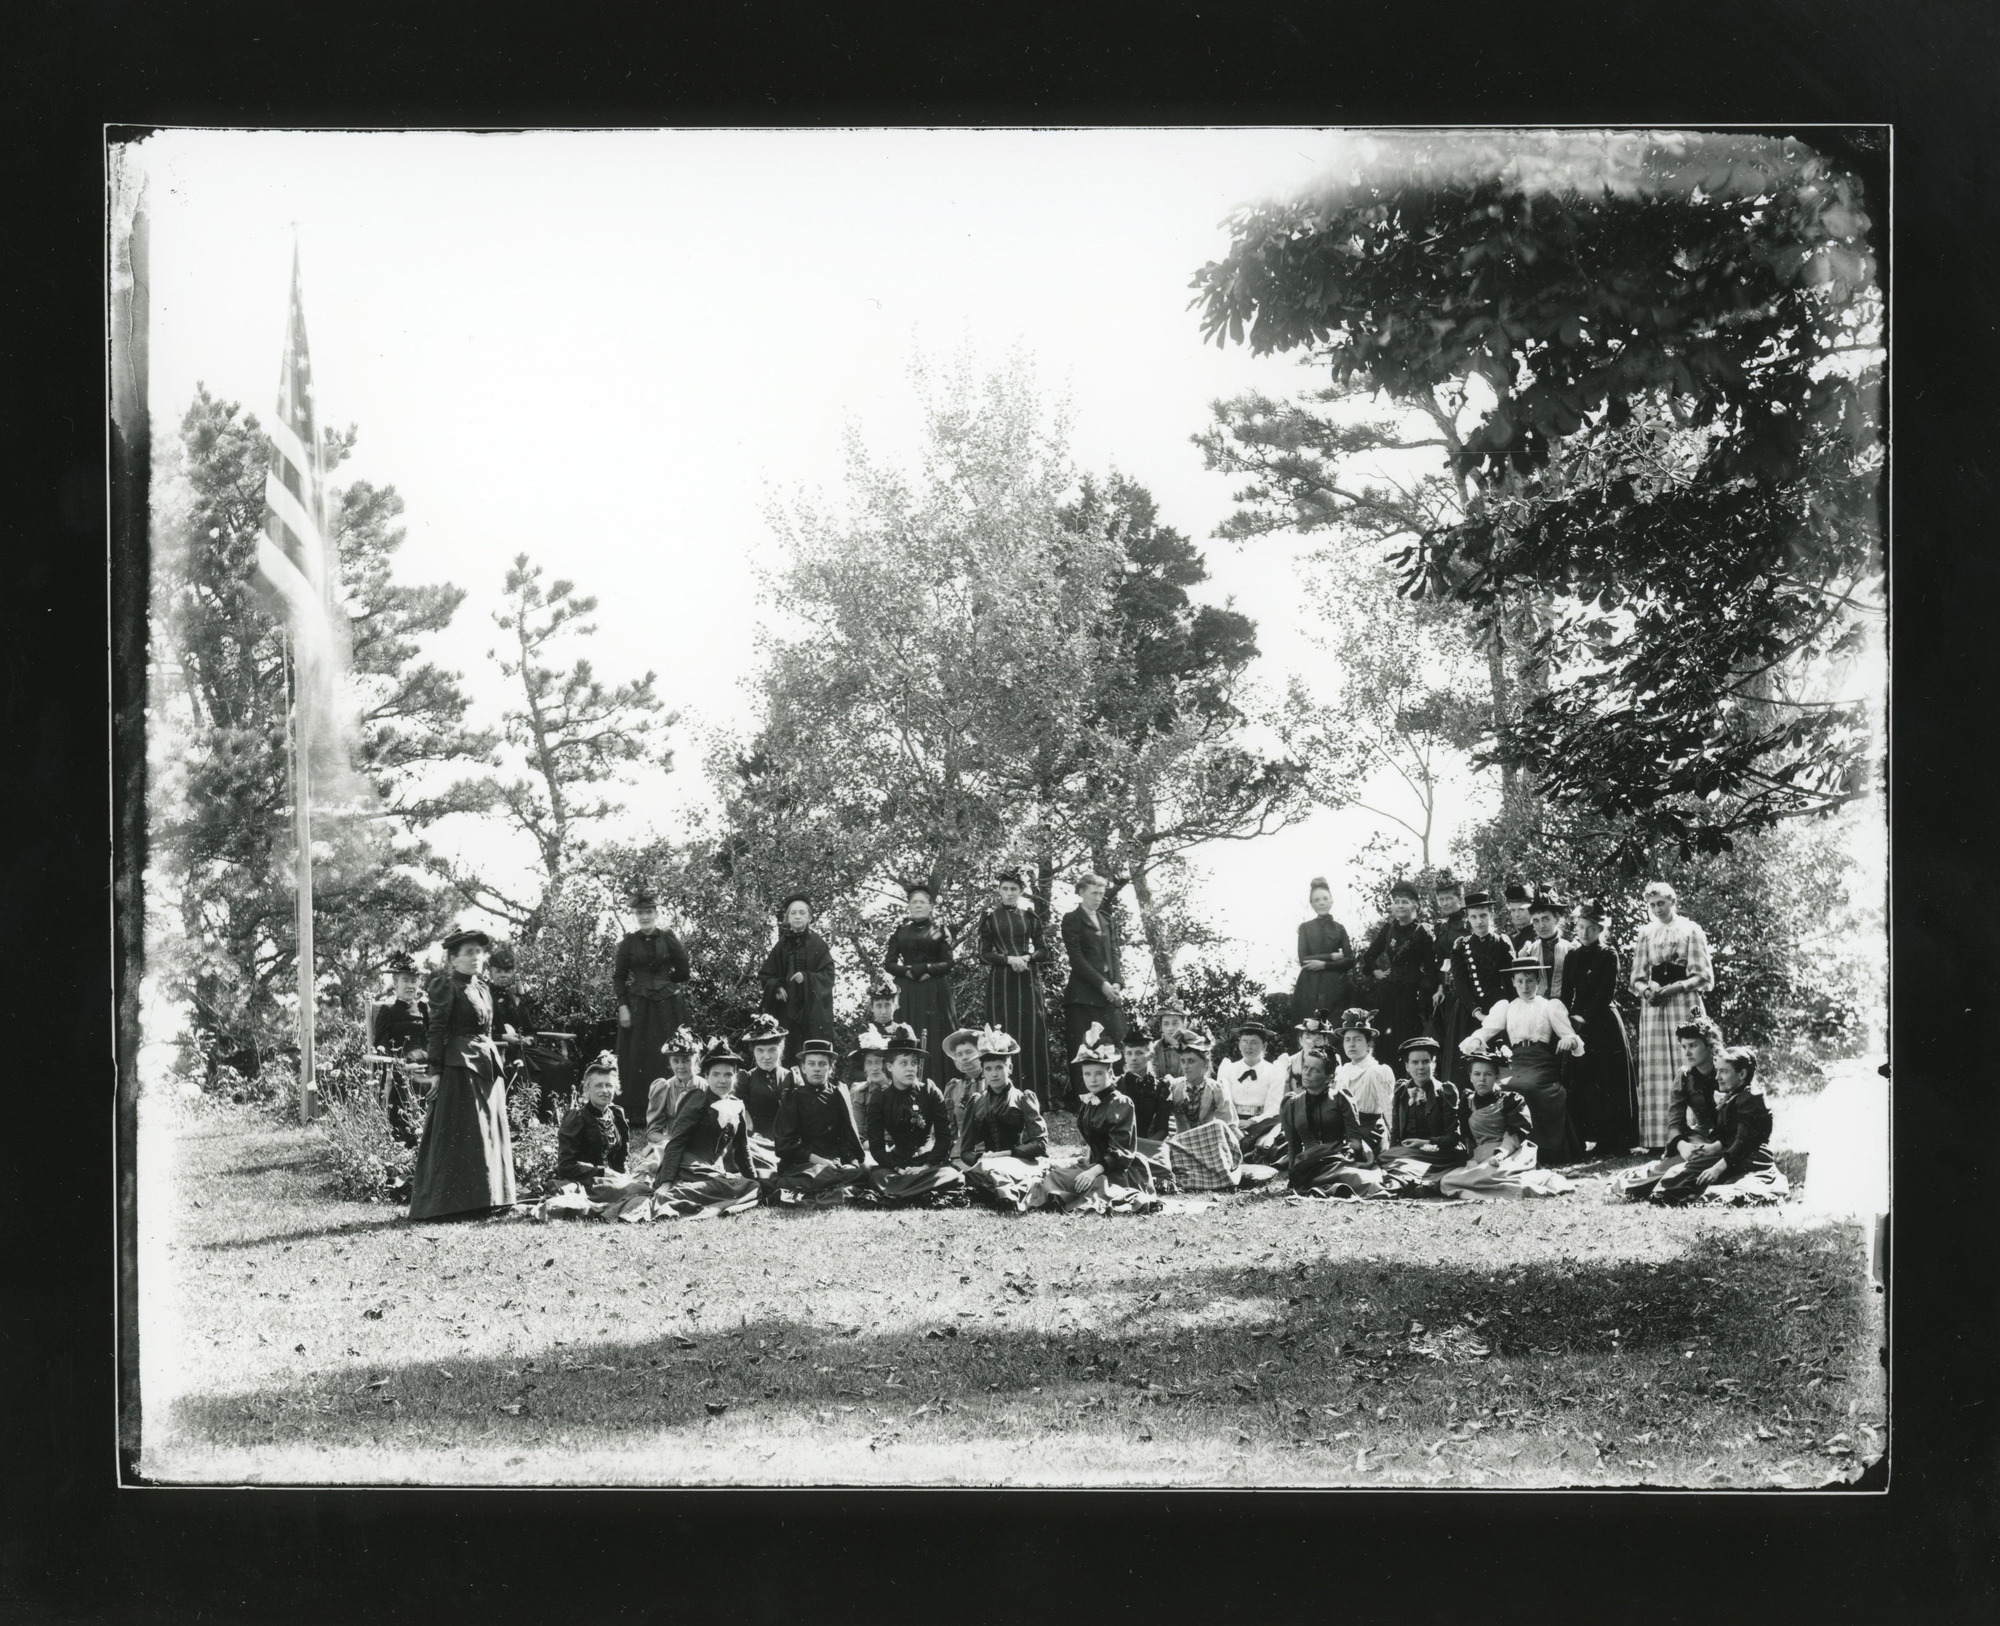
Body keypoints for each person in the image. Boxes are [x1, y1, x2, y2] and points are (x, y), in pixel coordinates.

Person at [409, 927, 517, 1222]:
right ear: (453, 959)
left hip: (485, 1065)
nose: (476, 957)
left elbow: (489, 1030)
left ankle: (490, 1198)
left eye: (479, 952)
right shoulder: (445, 986)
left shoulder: (482, 988)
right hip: (460, 1069)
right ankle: (453, 1204)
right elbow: (437, 1030)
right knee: (465, 1134)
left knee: (486, 1132)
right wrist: (436, 1072)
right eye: (469, 952)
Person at [1461, 957, 1587, 1163]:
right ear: (1513, 982)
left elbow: (1571, 1036)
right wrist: (1476, 1039)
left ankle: (1540, 1150)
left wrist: (1568, 1041)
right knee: (1499, 1088)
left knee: (1527, 1088)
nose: (1525, 986)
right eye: (1519, 981)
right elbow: (1486, 1030)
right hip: (1515, 1061)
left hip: (1542, 1061)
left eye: (1529, 981)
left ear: (1538, 981)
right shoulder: (1507, 1007)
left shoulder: (1549, 1006)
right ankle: (1501, 1148)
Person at [1029, 1025, 1159, 1212]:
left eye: (1099, 1073)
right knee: (1055, 1176)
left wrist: (1094, 1170)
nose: (1093, 1079)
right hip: (1094, 1165)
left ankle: (1078, 1197)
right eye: (1087, 1074)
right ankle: (1059, 1198)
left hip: (1119, 1170)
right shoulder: (1089, 1102)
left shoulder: (1121, 1102)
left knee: (1100, 1185)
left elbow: (1121, 1151)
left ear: (1111, 1074)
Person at [1630, 881, 1716, 1153]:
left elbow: (1703, 975)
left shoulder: (1690, 930)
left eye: (1661, 904)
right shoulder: (1646, 933)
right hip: (1656, 1007)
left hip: (1683, 1001)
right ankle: (1659, 1139)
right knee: (1657, 1072)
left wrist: (1675, 987)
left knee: (1688, 1061)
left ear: (1673, 902)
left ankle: (1696, 1133)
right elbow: (1636, 978)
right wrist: (1647, 992)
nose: (1657, 909)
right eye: (1652, 905)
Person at [1437, 1044, 1577, 1200]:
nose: (1482, 1079)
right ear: (1470, 1077)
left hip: (1509, 1155)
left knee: (1485, 1177)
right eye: (1477, 1074)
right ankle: (1495, 1189)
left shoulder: (1511, 1100)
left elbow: (1515, 1134)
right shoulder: (1467, 1102)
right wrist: (1472, 1160)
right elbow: (1468, 1138)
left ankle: (1533, 1185)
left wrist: (1501, 1155)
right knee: (1447, 1181)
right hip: (1481, 1157)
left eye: (1488, 1074)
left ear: (1497, 1077)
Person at [1650, 1045, 1787, 1205]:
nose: (1717, 1077)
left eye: (1724, 1071)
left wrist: (1718, 1168)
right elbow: (1727, 1134)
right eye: (1717, 1071)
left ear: (1742, 1074)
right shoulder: (1734, 1095)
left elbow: (1743, 1142)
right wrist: (1711, 1148)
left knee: (1728, 1192)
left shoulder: (1751, 1099)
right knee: (1674, 1176)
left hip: (1750, 1158)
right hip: (1730, 1154)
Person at [1560, 900, 1640, 1154]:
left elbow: (1606, 992)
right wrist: (1564, 1018)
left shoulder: (1608, 954)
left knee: (1608, 1080)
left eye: (1591, 928)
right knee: (1582, 1078)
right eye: (1582, 927)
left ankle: (1614, 1141)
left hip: (1604, 1022)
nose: (1585, 933)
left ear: (1600, 930)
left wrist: (1584, 1016)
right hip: (1578, 1024)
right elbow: (1565, 992)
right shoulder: (1572, 955)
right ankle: (1583, 1137)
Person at [1614, 1016, 1724, 1200]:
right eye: (1684, 1047)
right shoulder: (1685, 1076)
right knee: (1669, 1172)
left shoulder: (1728, 1068)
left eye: (1693, 1046)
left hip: (1730, 1138)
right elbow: (1674, 1121)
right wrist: (1683, 1146)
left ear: (1710, 1045)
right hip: (1701, 1137)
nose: (1687, 1052)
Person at [650, 1041, 764, 1219]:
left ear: (735, 1077)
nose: (722, 1080)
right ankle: (673, 1194)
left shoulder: (736, 1105)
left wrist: (753, 1179)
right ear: (707, 1076)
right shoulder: (697, 1100)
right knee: (728, 1186)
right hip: (686, 1167)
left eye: (728, 1074)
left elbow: (742, 1147)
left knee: (751, 1186)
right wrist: (665, 1183)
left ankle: (689, 1194)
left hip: (712, 1171)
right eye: (716, 1074)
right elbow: (676, 1142)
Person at [613, 893, 692, 1129]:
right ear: (635, 916)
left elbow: (684, 970)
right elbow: (619, 977)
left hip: (669, 1006)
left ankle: (675, 1110)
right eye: (640, 912)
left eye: (649, 912)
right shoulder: (628, 942)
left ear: (657, 914)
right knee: (638, 1056)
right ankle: (639, 1115)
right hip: (639, 1007)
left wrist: (668, 981)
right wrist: (623, 1006)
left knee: (670, 1053)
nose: (645, 916)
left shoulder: (668, 938)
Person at [863, 1026, 965, 1207]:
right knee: (878, 1177)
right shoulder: (880, 1098)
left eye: (914, 1063)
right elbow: (877, 1148)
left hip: (927, 1164)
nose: (911, 1069)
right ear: (889, 1066)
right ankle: (919, 1191)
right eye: (903, 1063)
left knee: (953, 1176)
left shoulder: (930, 1091)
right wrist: (899, 1169)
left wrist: (925, 1166)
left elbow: (943, 1139)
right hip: (897, 1166)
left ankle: (901, 1194)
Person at [544, 1052, 652, 1221]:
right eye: (598, 1086)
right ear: (587, 1089)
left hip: (612, 1182)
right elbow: (566, 1165)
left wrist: (624, 1175)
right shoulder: (576, 1117)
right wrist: (603, 1172)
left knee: (646, 1183)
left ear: (615, 1088)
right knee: (644, 1192)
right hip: (588, 1183)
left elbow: (621, 1158)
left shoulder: (617, 1114)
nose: (604, 1091)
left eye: (609, 1086)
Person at [955, 1026, 1051, 1213]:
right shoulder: (976, 1101)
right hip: (987, 1163)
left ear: (1010, 1068)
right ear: (983, 1071)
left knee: (998, 1174)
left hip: (1019, 1161)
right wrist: (979, 1157)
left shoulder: (1023, 1098)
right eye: (988, 1069)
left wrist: (1005, 1154)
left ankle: (1007, 1197)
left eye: (999, 1067)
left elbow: (1040, 1144)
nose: (994, 1074)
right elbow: (965, 1151)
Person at [977, 869, 1052, 1102]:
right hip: (1002, 980)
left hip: (1027, 979)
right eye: (1005, 889)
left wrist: (1026, 958)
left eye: (1014, 889)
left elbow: (1043, 949)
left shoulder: (1029, 916)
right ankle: (1002, 1091)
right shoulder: (990, 917)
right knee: (1003, 1029)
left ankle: (1036, 1095)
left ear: (1021, 891)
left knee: (1031, 1031)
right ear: (999, 891)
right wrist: (1010, 959)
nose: (1009, 893)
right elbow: (983, 954)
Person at [768, 1038, 867, 1203]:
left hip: (834, 1162)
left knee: (863, 1170)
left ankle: (825, 1184)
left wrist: (850, 1161)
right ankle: (813, 1185)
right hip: (804, 1164)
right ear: (804, 1068)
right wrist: (820, 1161)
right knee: (815, 1176)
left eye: (822, 1064)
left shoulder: (838, 1094)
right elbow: (785, 1145)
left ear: (830, 1068)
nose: (817, 1069)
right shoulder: (793, 1097)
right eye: (812, 1064)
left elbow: (846, 1136)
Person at [1060, 872, 1128, 1107]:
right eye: (1093, 893)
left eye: (1101, 893)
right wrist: (1103, 985)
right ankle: (1087, 1103)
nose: (1098, 898)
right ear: (1081, 892)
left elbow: (1115, 954)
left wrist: (1117, 983)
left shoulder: (1106, 919)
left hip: (1110, 995)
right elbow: (1077, 960)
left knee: (1118, 1044)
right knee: (1085, 1050)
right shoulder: (1072, 919)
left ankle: (1117, 1098)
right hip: (1083, 998)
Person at [1281, 1049, 1385, 1198]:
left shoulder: (1340, 1099)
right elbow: (1293, 1145)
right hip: (1309, 1164)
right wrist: (1293, 1176)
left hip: (1339, 1157)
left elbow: (1354, 1136)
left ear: (1328, 1078)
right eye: (1305, 1068)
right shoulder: (1292, 1104)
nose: (1307, 1073)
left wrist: (1349, 1151)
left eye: (1315, 1070)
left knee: (1358, 1178)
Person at [1356, 881, 1439, 1063]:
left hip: (1412, 996)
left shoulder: (1422, 932)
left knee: (1408, 1040)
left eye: (1405, 901)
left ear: (1415, 905)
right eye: (1397, 901)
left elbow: (1431, 969)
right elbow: (1369, 956)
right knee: (1385, 1042)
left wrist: (1425, 988)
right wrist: (1377, 971)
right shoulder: (1388, 930)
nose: (1400, 905)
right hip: (1388, 994)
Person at [884, 882, 957, 1085]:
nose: (918, 905)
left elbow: (949, 962)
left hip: (934, 990)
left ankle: (942, 1087)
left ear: (931, 906)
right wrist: (908, 971)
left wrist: (926, 969)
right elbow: (889, 963)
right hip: (907, 991)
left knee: (936, 1034)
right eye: (914, 902)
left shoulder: (940, 930)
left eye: (922, 902)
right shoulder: (900, 932)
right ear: (908, 906)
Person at [1160, 1031, 1251, 1193]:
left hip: (1210, 1149)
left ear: (1205, 1064)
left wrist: (1232, 1154)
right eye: (1183, 1061)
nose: (1186, 1067)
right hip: (1183, 1147)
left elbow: (1228, 1127)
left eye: (1191, 1061)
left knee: (1217, 1126)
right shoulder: (1175, 1087)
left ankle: (1215, 1174)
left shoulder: (1216, 1089)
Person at [1441, 891, 1511, 1086]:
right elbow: (1461, 985)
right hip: (1468, 1011)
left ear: (1491, 915)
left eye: (1483, 916)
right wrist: (1476, 1012)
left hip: (1496, 1009)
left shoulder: (1502, 942)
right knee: (1464, 1065)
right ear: (1468, 919)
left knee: (1494, 1064)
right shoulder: (1461, 946)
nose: (1479, 921)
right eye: (1473, 917)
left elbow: (1509, 980)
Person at [1381, 1036, 1466, 1193]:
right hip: (1409, 1152)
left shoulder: (1445, 1092)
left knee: (1399, 1168)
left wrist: (1423, 1142)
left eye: (1426, 1062)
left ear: (1433, 1064)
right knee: (1384, 1159)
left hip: (1439, 1154)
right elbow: (1395, 1131)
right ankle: (1412, 1180)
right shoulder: (1401, 1091)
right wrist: (1393, 1153)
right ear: (1407, 1066)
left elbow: (1454, 1137)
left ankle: (1422, 1182)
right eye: (1415, 1062)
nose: (1420, 1067)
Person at [761, 895, 836, 1067]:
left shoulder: (818, 944)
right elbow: (766, 975)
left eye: (802, 913)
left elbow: (829, 976)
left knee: (812, 1055)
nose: (797, 916)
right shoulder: (781, 945)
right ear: (787, 918)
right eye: (793, 913)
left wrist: (807, 977)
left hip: (811, 1012)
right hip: (786, 1011)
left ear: (809, 917)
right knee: (788, 1055)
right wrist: (777, 988)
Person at [369, 950, 430, 1146]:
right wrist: (403, 1064)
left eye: (414, 981)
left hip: (428, 1065)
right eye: (405, 980)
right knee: (405, 1094)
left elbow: (432, 1038)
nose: (410, 985)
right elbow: (381, 1045)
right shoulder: (389, 1012)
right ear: (395, 984)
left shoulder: (423, 1009)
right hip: (401, 1067)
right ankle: (409, 1139)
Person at [1218, 1021, 1291, 1164]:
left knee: (1272, 1131)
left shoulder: (1273, 1070)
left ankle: (1251, 1151)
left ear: (1264, 1046)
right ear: (1239, 1045)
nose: (1248, 1046)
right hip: (1234, 1119)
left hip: (1262, 1120)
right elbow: (1224, 1100)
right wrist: (1235, 1122)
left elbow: (1274, 1106)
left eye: (1254, 1042)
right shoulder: (1229, 1068)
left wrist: (1252, 1121)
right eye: (1244, 1042)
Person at [1292, 876, 1356, 1023]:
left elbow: (1350, 960)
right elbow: (1304, 960)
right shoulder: (1305, 928)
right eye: (1316, 900)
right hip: (1309, 985)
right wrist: (1332, 956)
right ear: (1312, 904)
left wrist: (1324, 964)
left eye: (1325, 898)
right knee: (1309, 1026)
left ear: (1331, 900)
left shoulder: (1339, 928)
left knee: (1334, 1026)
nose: (1321, 903)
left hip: (1335, 986)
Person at [1332, 1009, 1397, 1153]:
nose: (1351, 1044)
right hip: (1344, 1130)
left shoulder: (1376, 1071)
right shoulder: (1343, 1070)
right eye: (1347, 1040)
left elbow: (1389, 1111)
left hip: (1369, 1132)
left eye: (1357, 1039)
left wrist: (1395, 1145)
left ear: (1369, 1045)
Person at [1428, 876, 1468, 1072]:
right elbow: (1441, 960)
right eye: (1441, 899)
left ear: (1459, 899)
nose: (1444, 903)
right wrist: (1440, 988)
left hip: (1466, 988)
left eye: (1448, 898)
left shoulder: (1468, 923)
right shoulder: (1441, 926)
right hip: (1448, 990)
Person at [736, 1014, 796, 1142]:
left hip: (787, 1141)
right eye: (760, 1050)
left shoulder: (791, 1077)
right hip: (756, 1142)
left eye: (772, 1050)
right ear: (753, 1052)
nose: (766, 1056)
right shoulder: (746, 1078)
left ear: (781, 1049)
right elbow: (737, 1111)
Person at [1114, 1027, 1173, 1139]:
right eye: (1129, 1053)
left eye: (1139, 1053)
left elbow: (1162, 1130)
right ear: (1124, 1056)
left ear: (1150, 1056)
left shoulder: (1161, 1088)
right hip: (1118, 1146)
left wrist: (1144, 1150)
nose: (1133, 1058)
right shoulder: (1116, 1085)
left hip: (1148, 1147)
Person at [846, 1025, 891, 1140]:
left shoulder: (896, 1089)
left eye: (878, 1062)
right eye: (869, 1063)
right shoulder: (860, 1092)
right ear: (864, 1068)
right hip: (869, 1149)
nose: (874, 1068)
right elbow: (858, 1134)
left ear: (885, 1065)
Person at [941, 1026, 983, 1147]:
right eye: (959, 1054)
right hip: (961, 1152)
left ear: (980, 1053)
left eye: (969, 1052)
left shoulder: (993, 1082)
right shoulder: (953, 1088)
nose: (964, 1057)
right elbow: (949, 1129)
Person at [1522, 895, 1571, 1000]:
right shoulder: (1530, 950)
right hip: (1538, 1006)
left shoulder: (1570, 949)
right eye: (1536, 921)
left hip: (1564, 1004)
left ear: (1556, 919)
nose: (1541, 925)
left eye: (1545, 919)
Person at [1150, 1000, 1191, 1086]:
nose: (1170, 1028)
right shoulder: (1153, 1048)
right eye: (1166, 1024)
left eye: (1175, 1023)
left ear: (1184, 1024)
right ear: (1161, 1027)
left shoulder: (1193, 1048)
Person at [1501, 882, 1536, 952]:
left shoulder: (1540, 935)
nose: (1517, 914)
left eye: (1521, 909)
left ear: (1531, 910)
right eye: (1513, 910)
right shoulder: (1507, 939)